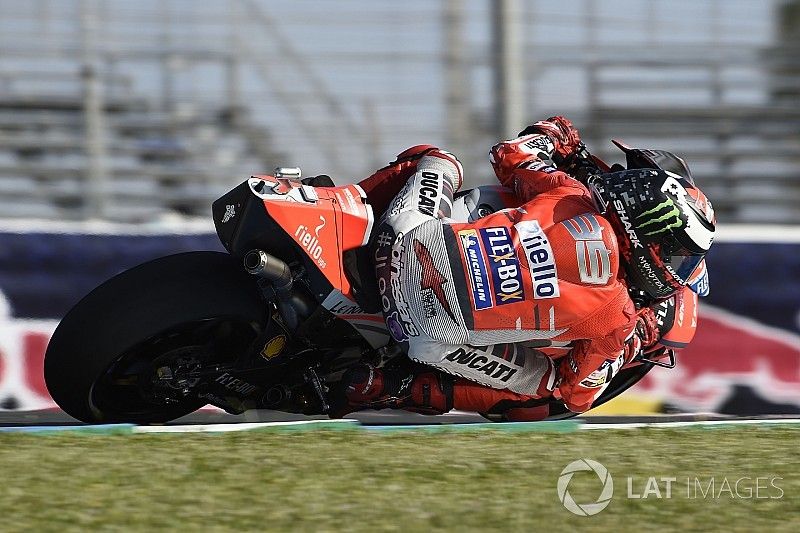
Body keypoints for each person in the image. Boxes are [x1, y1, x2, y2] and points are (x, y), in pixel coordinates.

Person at [335, 116, 715, 420]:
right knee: (548, 385)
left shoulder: (571, 194)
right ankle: (395, 388)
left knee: (438, 160)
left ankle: (340, 202)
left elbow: (508, 154)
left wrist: (552, 136)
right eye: (675, 255)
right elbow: (578, 395)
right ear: (648, 232)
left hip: (399, 243)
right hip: (422, 335)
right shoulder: (618, 318)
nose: (675, 270)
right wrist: (628, 345)